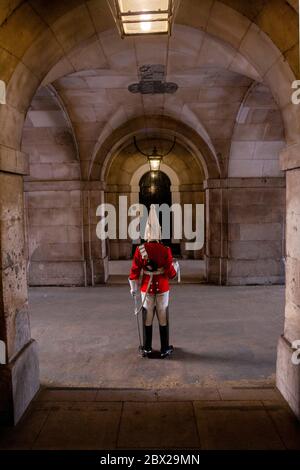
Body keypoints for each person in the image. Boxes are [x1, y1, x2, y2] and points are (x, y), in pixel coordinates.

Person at [128, 205, 179, 358]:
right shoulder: (166, 250)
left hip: (146, 288)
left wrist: (133, 288)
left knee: (147, 317)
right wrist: (176, 267)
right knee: (163, 316)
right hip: (162, 288)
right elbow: (170, 274)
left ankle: (147, 348)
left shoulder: (140, 250)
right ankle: (164, 348)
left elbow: (134, 271)